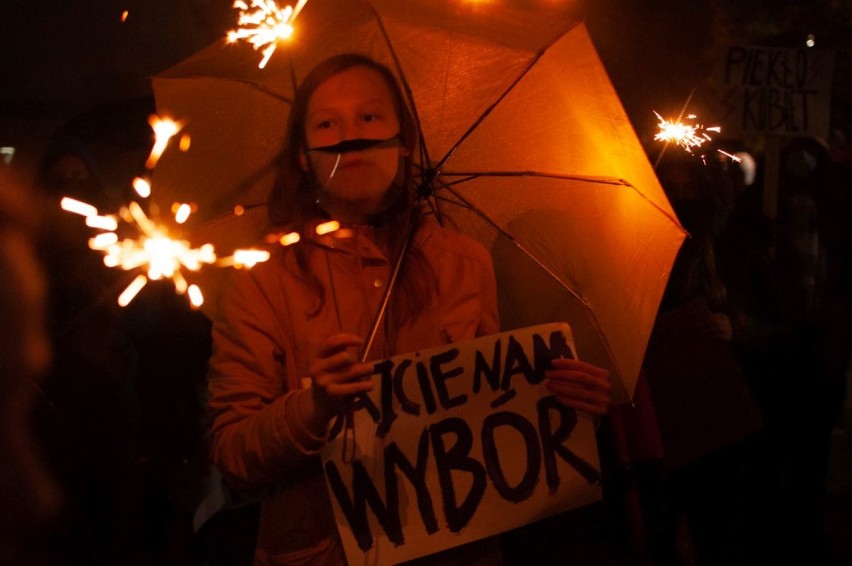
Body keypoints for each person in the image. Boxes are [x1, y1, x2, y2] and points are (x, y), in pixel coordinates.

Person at [206, 53, 612, 565]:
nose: (350, 136)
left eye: (370, 117)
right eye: (327, 123)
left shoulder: (465, 262)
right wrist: (315, 408)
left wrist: (565, 409)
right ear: (304, 155)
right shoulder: (261, 286)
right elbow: (234, 454)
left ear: (404, 141)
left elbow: (490, 419)